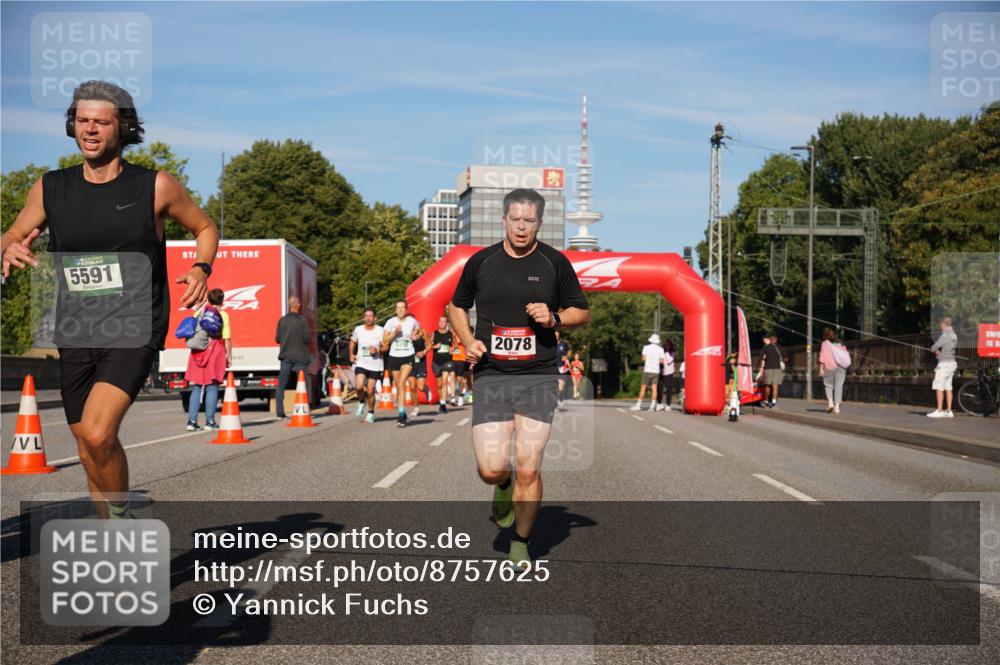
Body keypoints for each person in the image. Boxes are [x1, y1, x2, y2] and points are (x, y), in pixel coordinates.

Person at [1, 81, 218, 519]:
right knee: (86, 443)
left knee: (99, 433)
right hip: (75, 328)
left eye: (101, 121)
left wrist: (201, 268)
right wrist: (8, 246)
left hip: (134, 326)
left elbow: (205, 227)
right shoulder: (50, 188)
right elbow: (12, 233)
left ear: (123, 128)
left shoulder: (155, 186)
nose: (90, 129)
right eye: (82, 120)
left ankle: (121, 525)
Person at [449, 188, 589, 570]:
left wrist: (554, 317)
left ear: (539, 222)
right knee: (490, 468)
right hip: (492, 376)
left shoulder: (554, 263)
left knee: (529, 465)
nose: (522, 227)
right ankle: (503, 484)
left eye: (529, 220)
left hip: (538, 376)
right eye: (515, 219)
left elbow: (581, 311)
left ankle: (520, 542)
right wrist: (468, 341)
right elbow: (456, 306)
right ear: (504, 220)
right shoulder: (481, 262)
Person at [184, 289, 231, 430]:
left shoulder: (199, 312)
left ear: (209, 300)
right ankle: (210, 422)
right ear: (222, 301)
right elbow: (226, 337)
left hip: (198, 352)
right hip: (215, 350)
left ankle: (191, 422)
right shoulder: (223, 315)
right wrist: (229, 355)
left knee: (197, 386)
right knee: (212, 386)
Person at [382, 299, 422, 427]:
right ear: (395, 310)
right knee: (399, 387)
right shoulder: (390, 322)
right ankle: (402, 411)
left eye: (402, 307)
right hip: (394, 357)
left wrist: (416, 335)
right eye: (398, 308)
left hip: (408, 355)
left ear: (406, 309)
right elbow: (384, 339)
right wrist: (394, 333)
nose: (400, 310)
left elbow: (420, 330)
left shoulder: (412, 321)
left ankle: (400, 416)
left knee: (401, 383)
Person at [275, 296, 311, 418]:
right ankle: (306, 407)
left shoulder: (282, 321)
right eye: (299, 303)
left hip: (285, 356)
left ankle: (280, 411)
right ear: (296, 305)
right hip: (300, 356)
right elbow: (307, 339)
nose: (300, 305)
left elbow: (277, 339)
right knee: (304, 383)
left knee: (282, 384)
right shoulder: (303, 321)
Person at [349, 308, 384, 424]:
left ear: (375, 318)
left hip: (375, 365)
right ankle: (361, 401)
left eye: (370, 316)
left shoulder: (380, 330)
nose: (368, 318)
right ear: (363, 318)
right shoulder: (358, 329)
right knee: (359, 386)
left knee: (370, 390)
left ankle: (371, 413)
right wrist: (351, 354)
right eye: (366, 316)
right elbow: (353, 342)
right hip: (361, 363)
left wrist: (377, 350)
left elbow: (386, 347)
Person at [928, 316, 958, 418]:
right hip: (952, 363)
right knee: (948, 387)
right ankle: (949, 411)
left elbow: (934, 347)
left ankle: (939, 410)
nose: (940, 326)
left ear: (944, 324)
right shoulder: (954, 335)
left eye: (940, 324)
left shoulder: (945, 335)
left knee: (939, 386)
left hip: (944, 364)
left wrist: (936, 351)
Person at [818, 327, 848, 414]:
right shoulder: (840, 343)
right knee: (839, 386)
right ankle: (837, 407)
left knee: (828, 385)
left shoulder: (824, 344)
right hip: (841, 367)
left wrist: (821, 369)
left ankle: (831, 403)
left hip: (830, 366)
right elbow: (845, 354)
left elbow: (822, 357)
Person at [631, 334, 664, 411]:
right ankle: (652, 406)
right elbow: (662, 361)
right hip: (656, 371)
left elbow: (643, 358)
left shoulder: (646, 347)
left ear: (651, 340)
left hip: (647, 370)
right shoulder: (661, 349)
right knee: (654, 388)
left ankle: (638, 405)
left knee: (643, 388)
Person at [431, 315, 456, 413]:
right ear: (438, 322)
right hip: (436, 362)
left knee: (444, 381)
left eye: (444, 321)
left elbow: (455, 344)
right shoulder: (434, 334)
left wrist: (452, 349)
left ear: (446, 323)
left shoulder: (451, 334)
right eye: (440, 321)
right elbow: (428, 345)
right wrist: (434, 346)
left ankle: (443, 404)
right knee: (439, 384)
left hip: (447, 361)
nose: (442, 323)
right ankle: (441, 402)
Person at [408, 327, 432, 417]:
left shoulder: (422, 333)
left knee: (420, 387)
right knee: (412, 387)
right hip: (409, 364)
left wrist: (424, 352)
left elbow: (429, 344)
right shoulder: (405, 334)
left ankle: (426, 389)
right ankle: (416, 408)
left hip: (420, 363)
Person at [758, 334, 786, 408]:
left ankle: (766, 401)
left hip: (768, 368)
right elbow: (786, 358)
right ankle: (774, 402)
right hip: (777, 369)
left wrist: (760, 366)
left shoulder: (766, 348)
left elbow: (761, 357)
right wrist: (780, 359)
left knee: (767, 386)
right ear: (776, 340)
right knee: (775, 386)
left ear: (770, 340)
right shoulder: (780, 348)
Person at [657, 339, 677, 411]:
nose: (667, 346)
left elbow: (669, 361)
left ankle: (667, 405)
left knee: (668, 389)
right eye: (666, 345)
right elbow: (660, 362)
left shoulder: (672, 353)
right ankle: (659, 404)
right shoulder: (662, 352)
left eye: (667, 345)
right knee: (660, 389)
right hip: (662, 372)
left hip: (668, 373)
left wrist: (666, 352)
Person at [451, 338, 468, 406]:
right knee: (452, 377)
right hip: (452, 358)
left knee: (459, 379)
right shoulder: (452, 334)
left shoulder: (461, 333)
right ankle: (453, 397)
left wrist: (457, 341)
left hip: (461, 358)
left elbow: (462, 341)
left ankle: (461, 396)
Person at [555, 331, 570, 406]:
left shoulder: (563, 343)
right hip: (553, 367)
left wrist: (566, 357)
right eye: (555, 335)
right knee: (555, 386)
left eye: (557, 335)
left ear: (559, 335)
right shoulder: (550, 343)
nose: (556, 337)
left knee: (561, 387)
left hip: (562, 367)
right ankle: (556, 400)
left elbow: (569, 351)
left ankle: (561, 396)